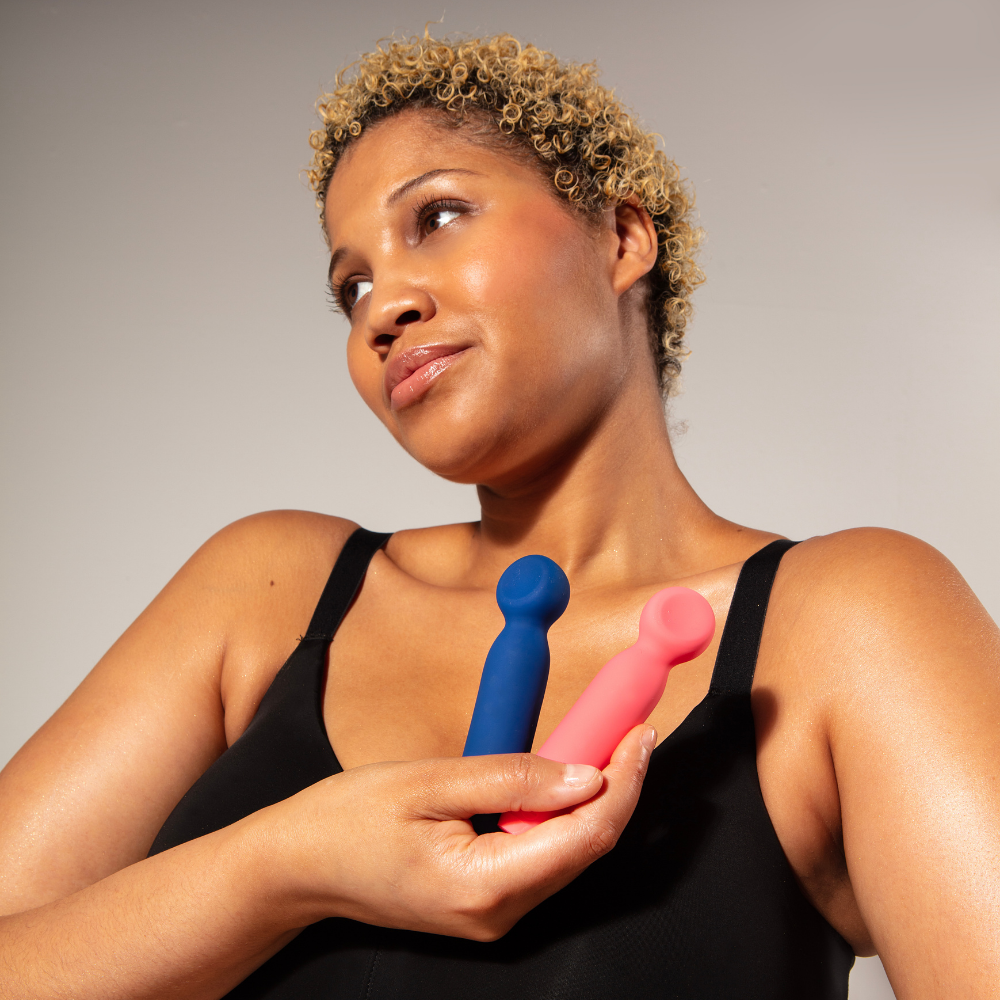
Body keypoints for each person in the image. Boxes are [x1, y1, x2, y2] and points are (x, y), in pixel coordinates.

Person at [0, 31, 997, 1000]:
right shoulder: (270, 591)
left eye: (434, 218)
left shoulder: (846, 623)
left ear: (620, 236)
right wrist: (286, 862)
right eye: (350, 285)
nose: (381, 304)